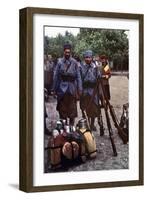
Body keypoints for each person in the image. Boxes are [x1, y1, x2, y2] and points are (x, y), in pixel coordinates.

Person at [52, 43, 82, 126]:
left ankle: (71, 129)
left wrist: (80, 89)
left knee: (72, 110)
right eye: (66, 52)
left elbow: (78, 77)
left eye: (69, 52)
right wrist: (54, 89)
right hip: (62, 90)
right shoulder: (59, 62)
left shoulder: (75, 62)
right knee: (62, 111)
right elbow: (56, 76)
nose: (67, 54)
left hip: (72, 89)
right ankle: (64, 130)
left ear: (71, 52)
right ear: (63, 52)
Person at [80, 50, 101, 131]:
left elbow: (98, 78)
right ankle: (86, 124)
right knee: (84, 108)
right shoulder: (81, 67)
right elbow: (79, 79)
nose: (88, 59)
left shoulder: (95, 67)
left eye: (89, 57)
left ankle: (92, 124)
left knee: (93, 109)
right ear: (84, 58)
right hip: (84, 90)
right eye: (86, 57)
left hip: (93, 91)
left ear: (92, 58)